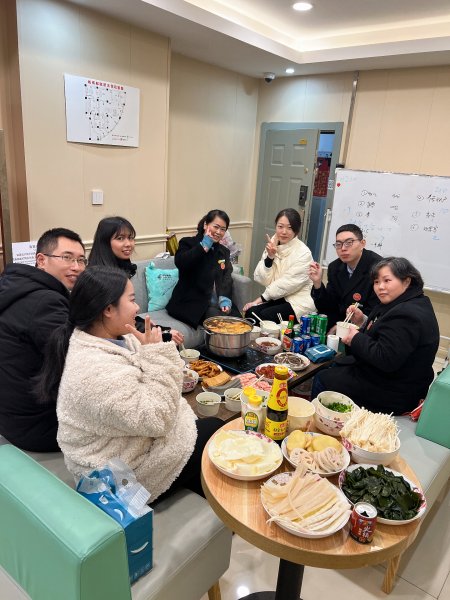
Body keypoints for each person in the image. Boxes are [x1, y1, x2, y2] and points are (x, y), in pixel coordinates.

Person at [38, 266, 222, 502]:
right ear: (108, 309)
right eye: (132, 300)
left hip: (131, 441)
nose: (137, 308)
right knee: (215, 430)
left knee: (205, 444)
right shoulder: (95, 370)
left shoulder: (115, 337)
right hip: (117, 476)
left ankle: (209, 499)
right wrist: (157, 353)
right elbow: (157, 420)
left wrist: (152, 352)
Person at [311, 257, 440, 415]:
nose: (380, 287)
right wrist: (362, 321)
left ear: (406, 281)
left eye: (387, 280)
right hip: (393, 376)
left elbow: (385, 358)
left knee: (322, 378)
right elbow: (385, 333)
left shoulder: (407, 314)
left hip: (395, 390)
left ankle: (323, 422)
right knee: (333, 365)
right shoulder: (410, 301)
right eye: (376, 282)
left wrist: (355, 338)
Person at [0, 227, 86, 451]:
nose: (76, 267)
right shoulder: (45, 302)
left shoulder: (15, 286)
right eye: (67, 257)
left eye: (81, 260)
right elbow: (78, 361)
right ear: (41, 260)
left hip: (11, 416)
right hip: (38, 425)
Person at [89, 216, 183, 344]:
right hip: (110, 340)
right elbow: (115, 322)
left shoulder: (121, 267)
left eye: (131, 238)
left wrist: (147, 324)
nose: (128, 244)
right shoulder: (101, 277)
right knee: (169, 340)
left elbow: (122, 313)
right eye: (120, 238)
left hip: (122, 330)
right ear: (104, 242)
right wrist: (163, 332)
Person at [167, 209, 241, 328]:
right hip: (191, 302)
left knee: (240, 321)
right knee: (222, 323)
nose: (218, 232)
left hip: (216, 302)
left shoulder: (223, 251)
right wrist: (203, 246)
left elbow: (226, 276)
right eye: (216, 227)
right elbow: (181, 263)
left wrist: (225, 297)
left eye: (223, 229)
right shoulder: (187, 243)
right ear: (206, 225)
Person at [243, 208, 315, 323]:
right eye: (280, 226)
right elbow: (262, 279)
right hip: (278, 296)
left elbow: (286, 284)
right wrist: (270, 257)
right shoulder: (273, 243)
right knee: (251, 312)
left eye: (289, 228)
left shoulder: (304, 253)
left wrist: (258, 300)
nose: (284, 232)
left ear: (296, 230)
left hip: (298, 301)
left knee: (264, 316)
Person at [309, 224, 382, 332]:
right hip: (338, 320)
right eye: (338, 244)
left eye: (349, 243)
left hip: (364, 325)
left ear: (362, 243)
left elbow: (375, 310)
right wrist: (317, 283)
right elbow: (329, 305)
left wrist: (342, 327)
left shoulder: (378, 267)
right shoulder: (334, 267)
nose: (343, 248)